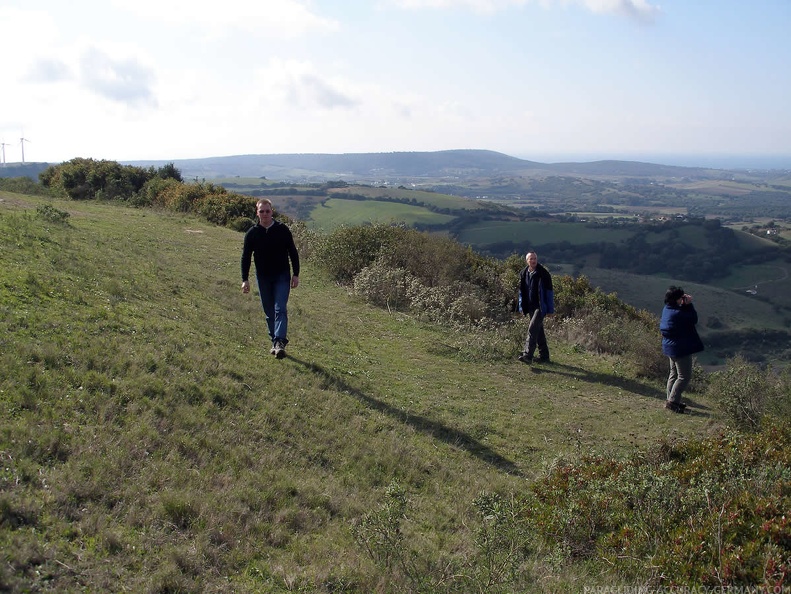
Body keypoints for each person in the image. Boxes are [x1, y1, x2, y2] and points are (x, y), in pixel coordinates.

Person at [241, 199, 300, 359]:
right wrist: (245, 279)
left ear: (272, 211)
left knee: (280, 308)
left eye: (267, 211)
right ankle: (275, 342)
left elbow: (293, 252)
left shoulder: (282, 230)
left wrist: (296, 274)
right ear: (257, 213)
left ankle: (280, 341)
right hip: (263, 278)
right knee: (269, 312)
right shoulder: (252, 233)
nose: (265, 214)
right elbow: (246, 257)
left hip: (282, 276)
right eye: (262, 211)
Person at [660, 286, 704, 413]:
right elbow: (692, 319)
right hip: (680, 348)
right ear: (676, 299)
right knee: (684, 376)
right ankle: (672, 402)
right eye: (681, 297)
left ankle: (672, 400)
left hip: (670, 347)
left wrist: (683, 305)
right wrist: (688, 305)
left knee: (673, 374)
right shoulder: (678, 313)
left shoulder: (667, 309)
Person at [517, 252, 555, 363]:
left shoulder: (543, 274)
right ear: (527, 261)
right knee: (538, 331)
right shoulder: (524, 273)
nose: (533, 261)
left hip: (540, 307)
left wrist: (550, 310)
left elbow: (549, 293)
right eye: (531, 259)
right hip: (530, 306)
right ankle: (544, 356)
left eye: (535, 258)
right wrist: (521, 307)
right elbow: (521, 292)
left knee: (532, 328)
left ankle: (527, 355)